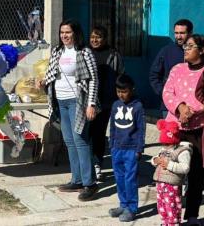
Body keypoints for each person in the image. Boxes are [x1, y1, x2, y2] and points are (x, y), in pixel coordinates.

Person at [41, 19, 100, 201]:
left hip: (78, 101)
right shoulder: (57, 51)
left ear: (75, 33)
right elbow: (52, 74)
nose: (64, 36)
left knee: (80, 140)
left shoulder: (84, 52)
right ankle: (77, 179)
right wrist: (44, 82)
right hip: (61, 101)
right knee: (69, 141)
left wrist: (91, 104)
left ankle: (90, 183)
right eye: (62, 33)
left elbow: (93, 80)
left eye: (67, 32)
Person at [162, 34, 204, 224]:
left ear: (201, 50)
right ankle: (170, 215)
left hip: (200, 129)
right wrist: (180, 108)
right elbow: (167, 92)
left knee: (196, 175)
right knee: (171, 173)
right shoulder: (177, 69)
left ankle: (192, 215)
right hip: (175, 129)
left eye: (190, 46)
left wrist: (192, 111)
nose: (185, 49)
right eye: (185, 46)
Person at [88, 25, 125, 180]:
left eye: (98, 37)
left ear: (105, 39)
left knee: (99, 133)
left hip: (106, 100)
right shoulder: (85, 53)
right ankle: (86, 165)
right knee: (86, 133)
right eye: (92, 37)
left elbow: (120, 76)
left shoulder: (113, 54)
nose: (94, 40)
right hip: (88, 101)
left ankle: (97, 164)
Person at [108, 74, 145, 222]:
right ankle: (123, 204)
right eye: (118, 91)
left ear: (132, 89)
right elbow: (112, 126)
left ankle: (132, 208)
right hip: (117, 148)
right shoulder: (115, 105)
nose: (121, 95)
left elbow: (141, 129)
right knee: (119, 177)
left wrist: (139, 148)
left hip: (131, 149)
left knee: (130, 179)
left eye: (124, 91)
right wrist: (111, 144)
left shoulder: (138, 106)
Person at [151, 120, 192, 226]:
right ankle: (165, 222)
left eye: (167, 144)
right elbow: (156, 158)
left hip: (172, 186)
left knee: (172, 206)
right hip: (160, 183)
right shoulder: (164, 149)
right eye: (163, 143)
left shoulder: (182, 151)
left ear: (174, 141)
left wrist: (169, 165)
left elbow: (185, 168)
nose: (164, 146)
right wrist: (155, 160)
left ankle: (173, 223)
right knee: (162, 206)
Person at [150, 19, 193, 118]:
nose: (178, 36)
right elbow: (154, 76)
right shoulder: (166, 51)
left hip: (191, 107)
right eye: (176, 33)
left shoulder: (197, 52)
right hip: (169, 107)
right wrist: (164, 93)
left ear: (190, 33)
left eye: (182, 33)